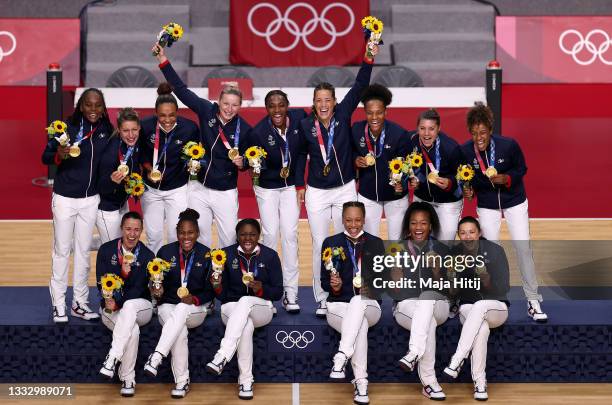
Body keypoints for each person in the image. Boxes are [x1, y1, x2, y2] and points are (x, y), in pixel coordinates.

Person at [298, 43, 379, 317]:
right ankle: (323, 297)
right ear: (313, 103)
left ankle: (359, 289)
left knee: (356, 238)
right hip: (317, 192)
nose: (323, 104)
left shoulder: (343, 115)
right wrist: (299, 185)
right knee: (321, 243)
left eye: (327, 100)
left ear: (334, 101)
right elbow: (299, 157)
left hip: (345, 190)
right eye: (318, 100)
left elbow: (360, 84)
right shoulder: (305, 125)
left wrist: (369, 55)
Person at [153, 44, 252, 248]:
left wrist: (243, 163)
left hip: (225, 191)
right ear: (219, 101)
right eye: (226, 104)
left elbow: (249, 161)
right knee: (202, 240)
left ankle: (227, 279)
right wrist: (163, 61)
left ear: (240, 106)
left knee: (229, 241)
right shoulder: (206, 110)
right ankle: (204, 279)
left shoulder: (246, 129)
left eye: (234, 105)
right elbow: (181, 90)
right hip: (199, 188)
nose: (229, 109)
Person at [461, 102, 547, 322]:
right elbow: (466, 178)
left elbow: (522, 169)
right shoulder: (464, 151)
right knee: (491, 251)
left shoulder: (508, 145)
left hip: (514, 201)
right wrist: (468, 190)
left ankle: (532, 299)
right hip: (487, 204)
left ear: (490, 129)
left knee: (523, 248)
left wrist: (508, 179)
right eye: (474, 133)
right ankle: (496, 296)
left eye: (482, 132)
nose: (478, 137)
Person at [42, 88, 113, 323]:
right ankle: (58, 304)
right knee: (62, 250)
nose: (93, 109)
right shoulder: (66, 128)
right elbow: (45, 156)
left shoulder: (105, 130)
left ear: (103, 108)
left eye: (98, 105)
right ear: (81, 106)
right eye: (89, 105)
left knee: (83, 252)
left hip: (90, 200)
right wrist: (59, 154)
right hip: (64, 197)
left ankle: (79, 303)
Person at [205, 219, 283, 400]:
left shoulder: (270, 255)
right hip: (231, 309)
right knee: (245, 327)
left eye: (252, 234)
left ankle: (222, 355)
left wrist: (260, 289)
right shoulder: (224, 255)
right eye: (243, 234)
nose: (247, 238)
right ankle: (246, 381)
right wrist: (216, 286)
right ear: (237, 236)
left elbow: (278, 292)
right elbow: (222, 295)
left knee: (247, 300)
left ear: (258, 236)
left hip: (261, 309)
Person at [143, 209, 215, 399]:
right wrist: (156, 291)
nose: (186, 237)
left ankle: (157, 355)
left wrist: (195, 299)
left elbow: (211, 291)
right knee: (179, 330)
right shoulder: (165, 252)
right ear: (176, 233)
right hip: (168, 306)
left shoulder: (206, 255)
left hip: (195, 309)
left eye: (190, 232)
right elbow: (156, 282)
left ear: (197, 233)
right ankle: (182, 382)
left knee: (183, 309)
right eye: (182, 232)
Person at [321, 201, 384, 405]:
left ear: (364, 220)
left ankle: (342, 355)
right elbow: (324, 280)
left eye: (357, 220)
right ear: (342, 220)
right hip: (339, 306)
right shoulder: (330, 243)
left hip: (370, 305)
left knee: (359, 301)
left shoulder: (376, 243)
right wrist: (335, 287)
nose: (353, 224)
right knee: (360, 325)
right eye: (348, 220)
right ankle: (361, 383)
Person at [250, 90, 307, 313]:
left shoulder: (300, 119)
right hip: (267, 187)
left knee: (291, 235)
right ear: (266, 108)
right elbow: (250, 161)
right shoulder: (258, 132)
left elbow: (302, 154)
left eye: (281, 105)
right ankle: (269, 295)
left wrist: (301, 183)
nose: (277, 110)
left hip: (291, 186)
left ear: (287, 105)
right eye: (272, 106)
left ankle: (290, 293)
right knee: (271, 235)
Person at [443, 216, 510, 401]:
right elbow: (452, 293)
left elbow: (504, 288)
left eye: (471, 232)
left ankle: (457, 359)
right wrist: (451, 279)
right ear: (458, 235)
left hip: (496, 308)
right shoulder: (453, 254)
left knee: (480, 306)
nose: (467, 236)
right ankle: (480, 384)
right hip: (467, 309)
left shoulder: (495, 251)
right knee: (480, 329)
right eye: (463, 233)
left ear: (479, 233)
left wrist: (487, 279)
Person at [392, 201, 449, 400]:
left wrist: (436, 271)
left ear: (431, 225)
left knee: (427, 296)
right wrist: (396, 272)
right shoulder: (396, 248)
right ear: (408, 225)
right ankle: (429, 383)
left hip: (438, 306)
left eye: (423, 223)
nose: (418, 227)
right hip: (406, 307)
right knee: (428, 323)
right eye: (414, 223)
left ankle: (414, 352)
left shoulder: (441, 249)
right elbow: (395, 291)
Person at [97, 211, 154, 397]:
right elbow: (101, 283)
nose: (132, 234)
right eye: (128, 229)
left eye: (137, 230)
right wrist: (109, 300)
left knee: (129, 306)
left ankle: (113, 357)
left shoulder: (147, 255)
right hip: (110, 307)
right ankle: (128, 378)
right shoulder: (106, 250)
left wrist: (125, 275)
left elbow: (137, 290)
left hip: (140, 307)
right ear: (121, 229)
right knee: (133, 330)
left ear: (141, 231)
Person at [139, 83, 199, 254]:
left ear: (177, 113)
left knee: (176, 235)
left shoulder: (190, 128)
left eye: (171, 115)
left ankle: (173, 274)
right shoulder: (146, 126)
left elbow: (197, 154)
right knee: (153, 235)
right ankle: (154, 275)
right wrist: (149, 168)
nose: (167, 120)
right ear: (155, 113)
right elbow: (141, 153)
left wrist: (192, 165)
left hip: (177, 189)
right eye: (162, 115)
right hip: (151, 189)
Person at [352, 84, 410, 240]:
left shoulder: (399, 134)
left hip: (396, 197)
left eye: (379, 113)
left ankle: (396, 266)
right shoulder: (357, 130)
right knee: (369, 242)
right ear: (365, 112)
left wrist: (402, 183)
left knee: (397, 242)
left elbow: (407, 165)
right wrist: (355, 160)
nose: (374, 117)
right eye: (370, 113)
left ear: (386, 112)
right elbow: (349, 153)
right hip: (368, 195)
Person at [409, 109, 463, 241]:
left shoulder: (451, 147)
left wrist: (450, 182)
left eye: (431, 129)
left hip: (448, 202)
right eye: (422, 128)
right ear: (417, 128)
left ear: (439, 128)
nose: (426, 134)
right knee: (419, 241)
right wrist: (410, 179)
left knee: (445, 244)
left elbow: (461, 176)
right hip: (422, 199)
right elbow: (403, 165)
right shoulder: (410, 141)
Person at [96, 107, 142, 244]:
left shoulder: (134, 144)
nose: (131, 135)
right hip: (106, 207)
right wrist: (111, 181)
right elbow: (100, 187)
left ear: (139, 128)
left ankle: (83, 243)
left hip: (122, 202)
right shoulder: (111, 154)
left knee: (118, 242)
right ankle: (77, 245)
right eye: (126, 131)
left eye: (134, 130)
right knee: (114, 248)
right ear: (119, 130)